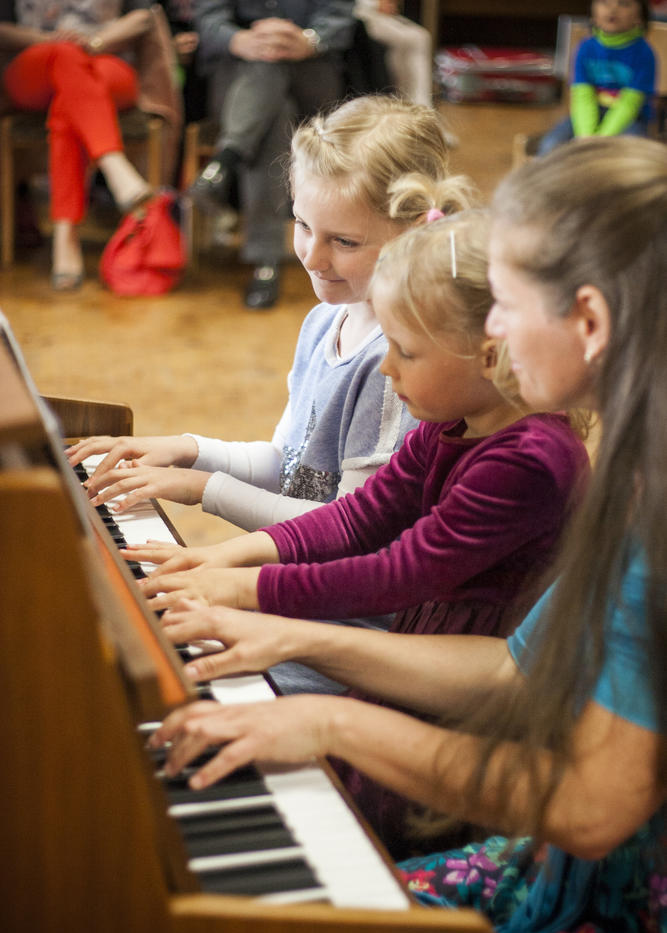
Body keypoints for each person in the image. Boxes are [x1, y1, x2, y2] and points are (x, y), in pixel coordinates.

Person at [148, 135, 667, 933]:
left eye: (501, 303)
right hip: (571, 874)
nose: (490, 330)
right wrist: (273, 635)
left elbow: (588, 806)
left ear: (589, 322)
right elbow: (514, 671)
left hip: (626, 916)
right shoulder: (633, 462)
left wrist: (333, 724)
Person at [132, 206, 591, 856]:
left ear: (490, 357)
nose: (385, 369)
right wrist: (221, 564)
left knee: (354, 831)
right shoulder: (450, 422)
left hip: (467, 704)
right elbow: (357, 518)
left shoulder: (529, 461)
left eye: (404, 351)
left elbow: (397, 573)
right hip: (419, 655)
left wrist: (247, 592)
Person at [67, 96, 461, 534]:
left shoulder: (394, 363)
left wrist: (201, 488)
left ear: (414, 232)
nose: (312, 258)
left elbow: (348, 531)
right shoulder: (324, 322)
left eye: (344, 242)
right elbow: (289, 466)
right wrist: (185, 450)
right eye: (303, 225)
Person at [185, 0, 357, 309]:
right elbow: (209, 20)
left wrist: (309, 39)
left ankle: (226, 160)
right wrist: (240, 40)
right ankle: (267, 261)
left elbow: (340, 19)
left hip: (311, 74)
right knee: (275, 116)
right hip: (240, 77)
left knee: (271, 74)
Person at [0, 0, 163, 290]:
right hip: (35, 63)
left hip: (105, 60)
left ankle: (65, 235)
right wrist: (49, 41)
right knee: (65, 56)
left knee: (70, 100)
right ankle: (113, 163)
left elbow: (144, 16)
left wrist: (96, 41)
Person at [538, 0, 656, 155]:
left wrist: (601, 140)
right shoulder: (586, 48)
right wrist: (585, 136)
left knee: (629, 155)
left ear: (640, 18)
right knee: (550, 146)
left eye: (624, 4)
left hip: (630, 118)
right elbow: (582, 96)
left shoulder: (644, 53)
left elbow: (630, 103)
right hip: (589, 113)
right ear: (592, 15)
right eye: (605, 3)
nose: (613, 9)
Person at [354, 0, 433, 107]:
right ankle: (411, 100)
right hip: (358, 13)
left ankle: (417, 100)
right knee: (415, 39)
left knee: (422, 36)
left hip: (378, 12)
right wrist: (374, 4)